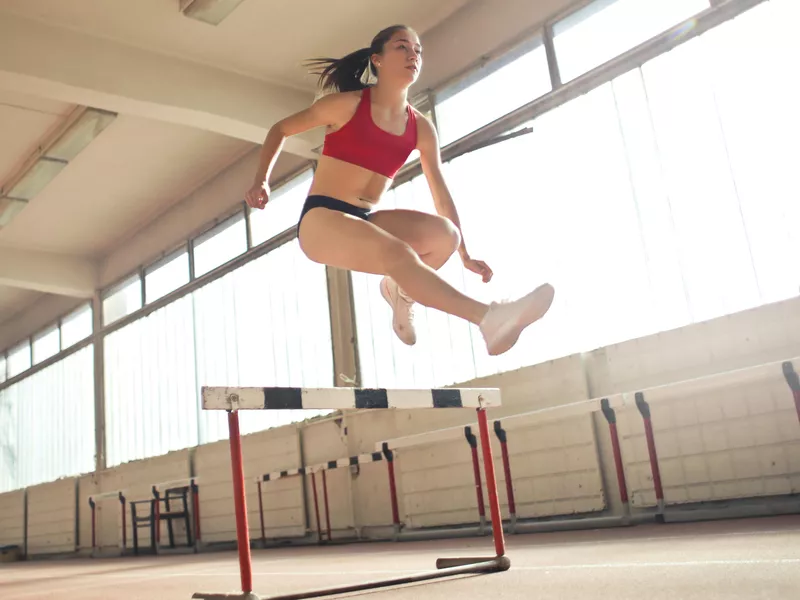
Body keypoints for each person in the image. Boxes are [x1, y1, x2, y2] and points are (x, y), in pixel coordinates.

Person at [245, 24, 554, 356]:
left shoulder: (420, 128)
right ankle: (489, 319)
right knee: (398, 254)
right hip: (321, 220)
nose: (413, 55)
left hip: (364, 219)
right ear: (377, 60)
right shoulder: (346, 105)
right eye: (402, 48)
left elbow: (439, 191)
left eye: (418, 50)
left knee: (445, 236)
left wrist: (463, 253)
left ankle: (399, 290)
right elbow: (281, 129)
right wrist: (261, 179)